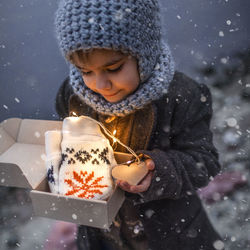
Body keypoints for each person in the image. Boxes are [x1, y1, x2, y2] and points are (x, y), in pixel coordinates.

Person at [54, 0, 224, 249]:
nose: (100, 85)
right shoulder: (73, 96)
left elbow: (204, 161)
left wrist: (158, 172)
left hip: (173, 233)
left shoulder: (179, 96)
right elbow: (60, 142)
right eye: (85, 71)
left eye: (113, 68)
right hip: (103, 234)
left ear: (143, 53)